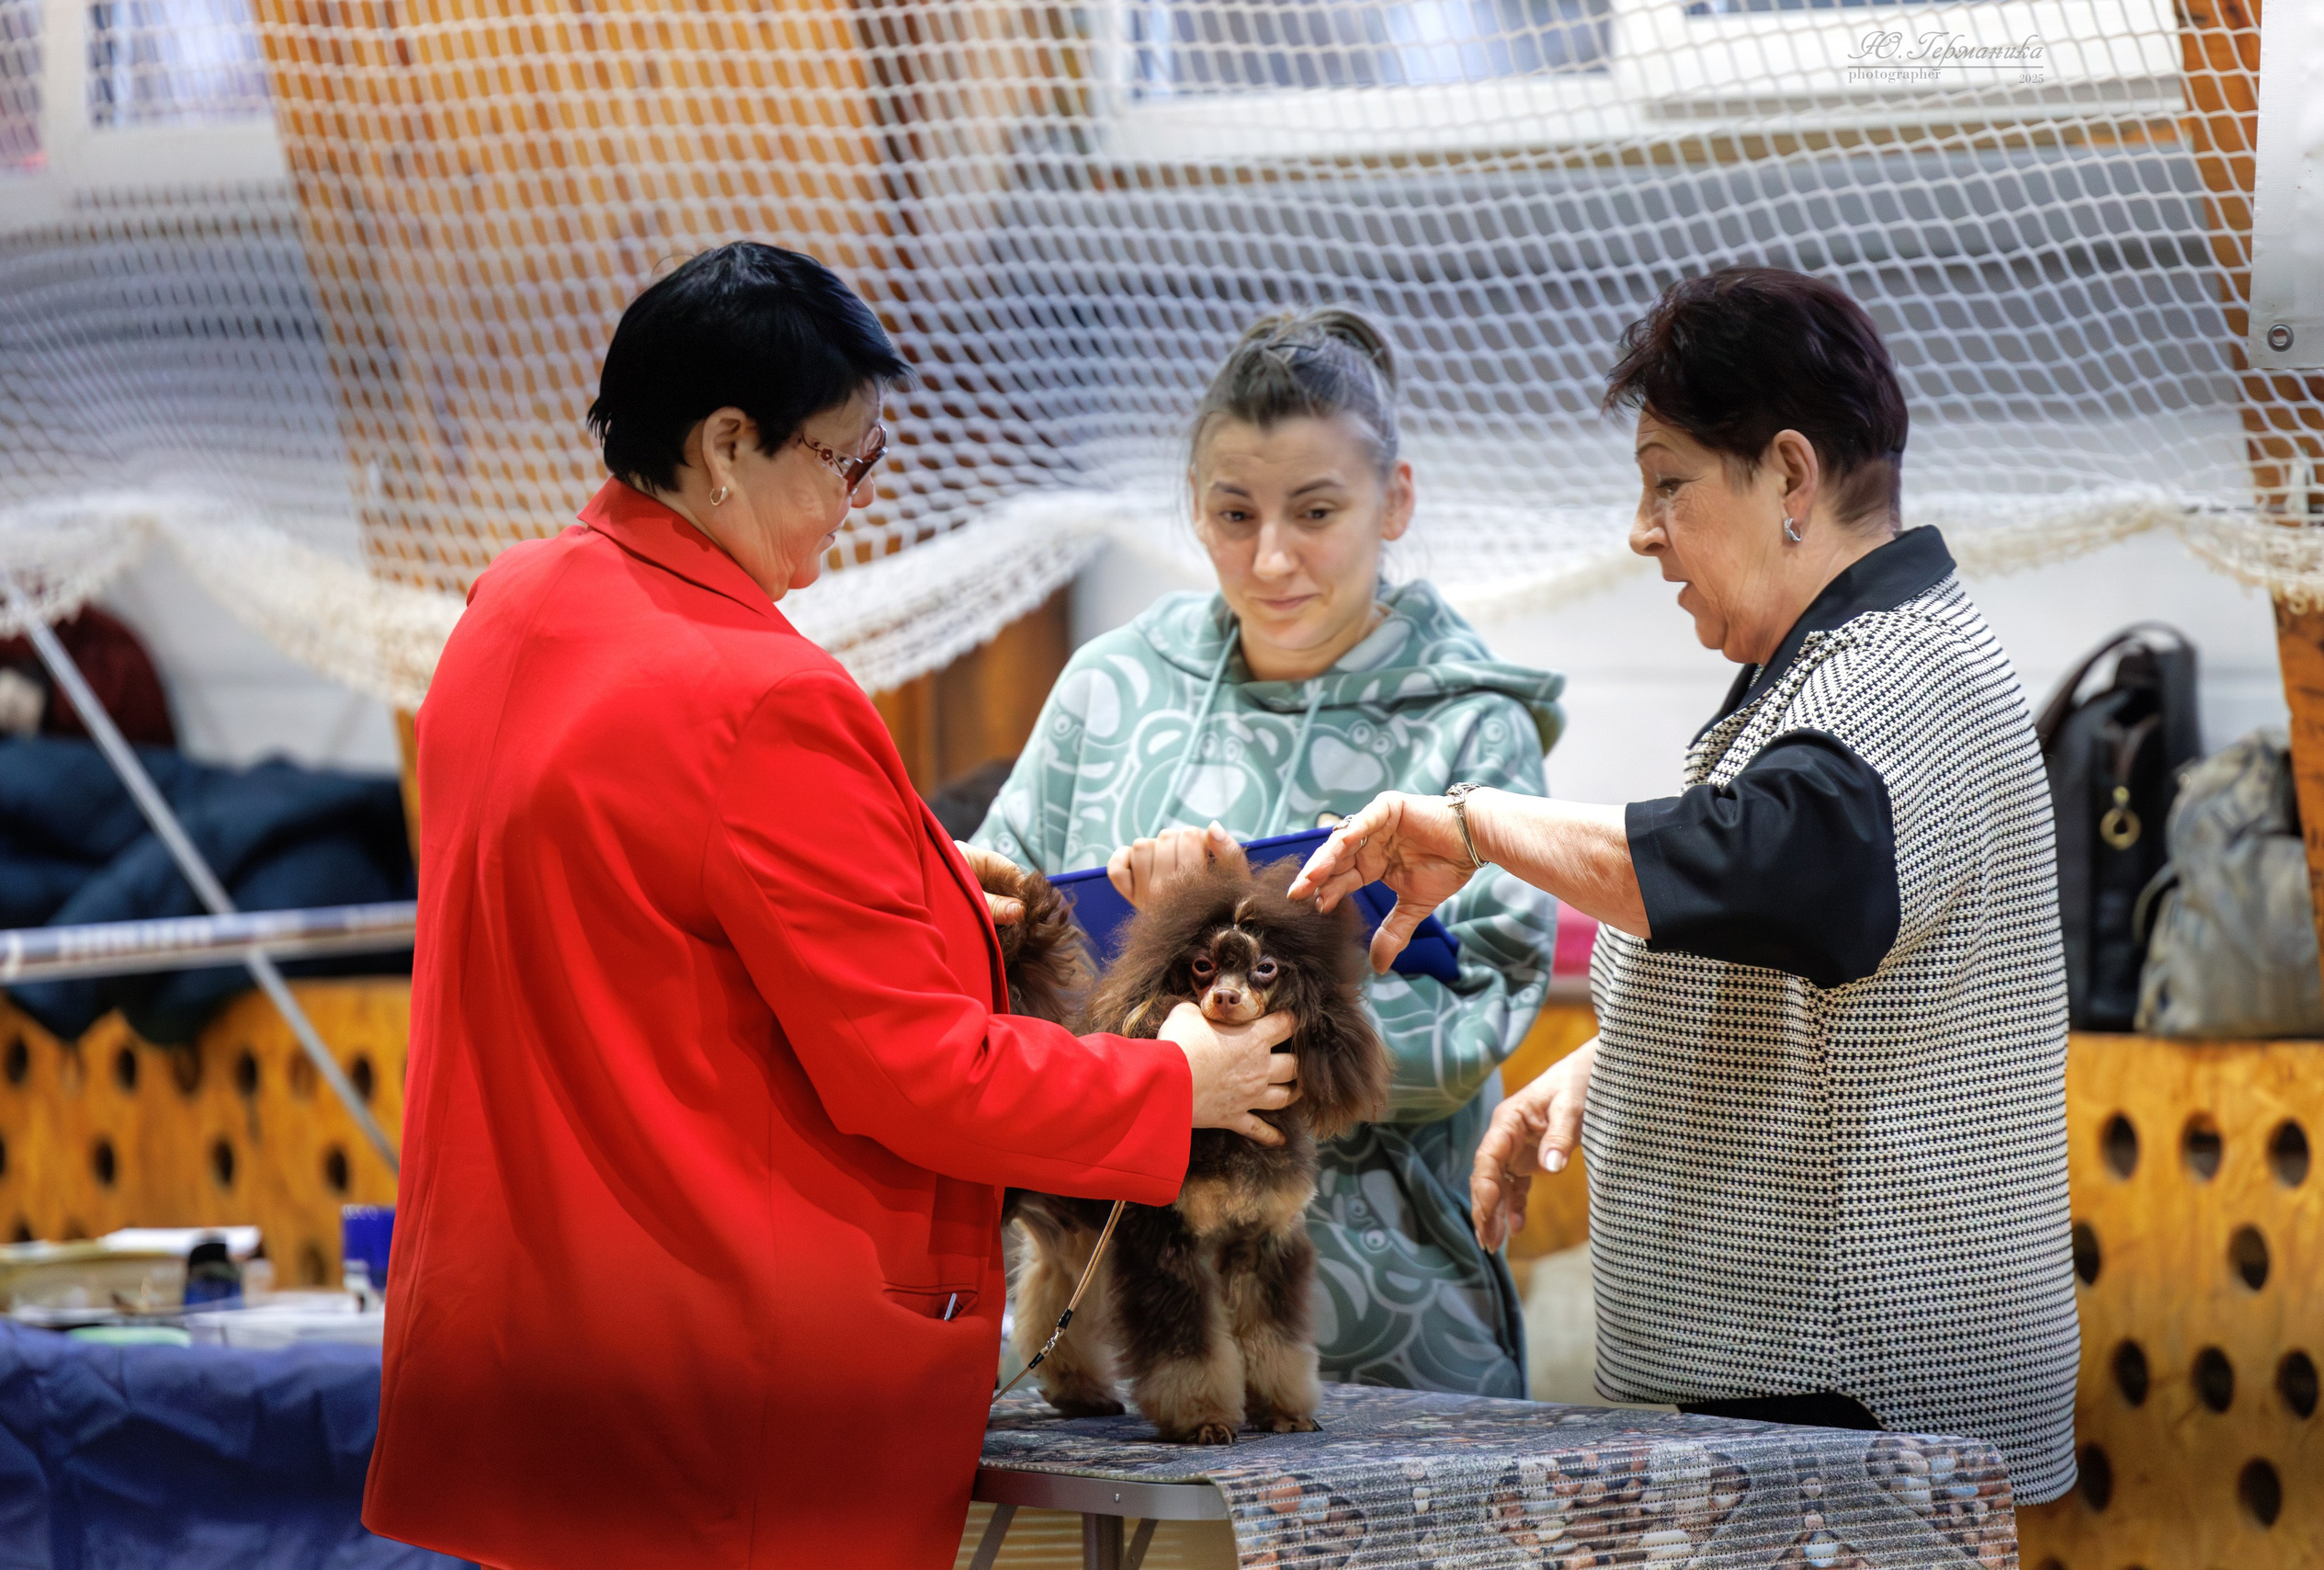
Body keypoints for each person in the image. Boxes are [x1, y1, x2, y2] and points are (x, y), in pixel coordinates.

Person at [360, 243, 1301, 1570]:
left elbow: (644, 925)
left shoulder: (511, 610)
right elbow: (912, 1073)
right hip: (713, 1384)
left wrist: (912, 893)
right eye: (845, 461)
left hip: (525, 1345)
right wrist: (1168, 1082)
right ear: (728, 444)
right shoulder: (763, 697)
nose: (861, 499)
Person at [1291, 267, 2079, 1504]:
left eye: (1670, 484)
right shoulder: (1845, 660)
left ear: (1791, 478)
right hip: (1832, 1382)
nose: (1642, 530)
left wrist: (1475, 824)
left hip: (1865, 1392)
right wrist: (1618, 1060)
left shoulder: (1897, 674)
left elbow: (1760, 864)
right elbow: (1826, 947)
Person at [975, 310, 1563, 1396]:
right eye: (1233, 513)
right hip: (1116, 1319)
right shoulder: (1108, 688)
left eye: (1317, 511)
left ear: (1396, 501)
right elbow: (986, 941)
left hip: (1389, 1315)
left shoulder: (1471, 731)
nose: (1272, 556)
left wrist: (1224, 1031)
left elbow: (1474, 1019)